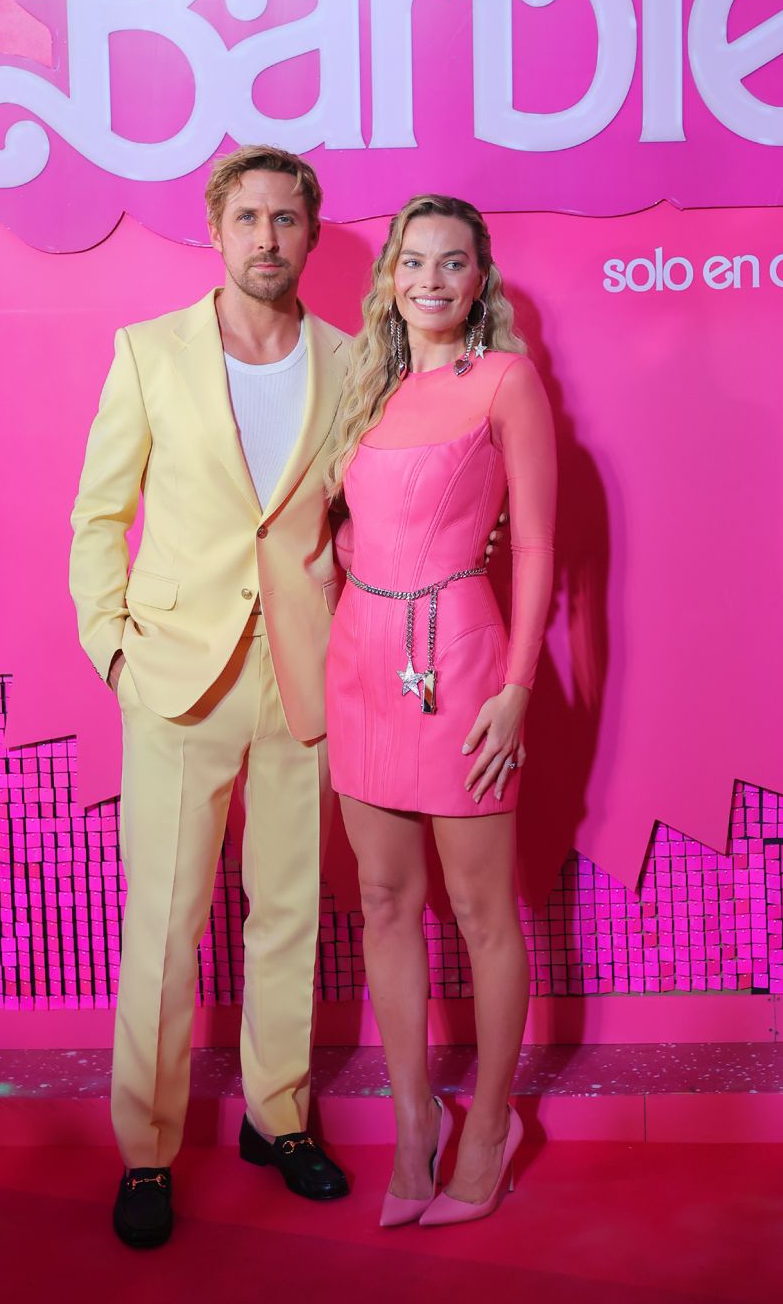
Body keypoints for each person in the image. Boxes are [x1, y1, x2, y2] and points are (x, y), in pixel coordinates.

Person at [69, 145, 352, 1249]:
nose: (268, 238)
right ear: (216, 229)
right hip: (178, 679)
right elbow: (97, 515)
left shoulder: (350, 358)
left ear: (312, 236)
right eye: (249, 218)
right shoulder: (148, 355)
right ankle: (146, 1149)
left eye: (287, 219)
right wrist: (116, 655)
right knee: (165, 925)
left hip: (303, 677)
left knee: (288, 912)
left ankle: (278, 1117)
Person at [324, 194, 557, 1228]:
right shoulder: (364, 393)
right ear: (390, 279)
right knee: (382, 896)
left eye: (450, 263)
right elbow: (350, 525)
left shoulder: (505, 380)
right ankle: (414, 1119)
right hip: (362, 660)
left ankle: (494, 1121)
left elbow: (541, 545)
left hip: (458, 658)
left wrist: (515, 691)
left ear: (479, 279)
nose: (428, 279)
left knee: (477, 912)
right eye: (411, 261)